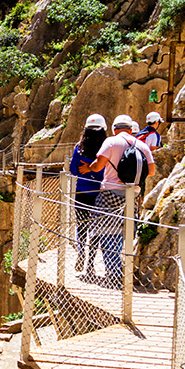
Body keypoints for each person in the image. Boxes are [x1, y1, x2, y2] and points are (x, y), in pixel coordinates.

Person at [79, 114, 155, 286]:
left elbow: (98, 165)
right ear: (130, 129)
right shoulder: (142, 145)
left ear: (114, 129)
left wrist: (90, 168)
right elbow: (151, 172)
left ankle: (114, 272)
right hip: (133, 194)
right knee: (123, 229)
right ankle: (121, 268)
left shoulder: (111, 142)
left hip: (110, 192)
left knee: (106, 230)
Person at [69, 114, 107, 273]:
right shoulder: (106, 148)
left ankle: (80, 252)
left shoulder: (79, 148)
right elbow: (106, 170)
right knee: (97, 227)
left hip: (82, 191)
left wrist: (85, 171)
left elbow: (73, 170)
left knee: (82, 225)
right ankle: (91, 262)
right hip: (100, 192)